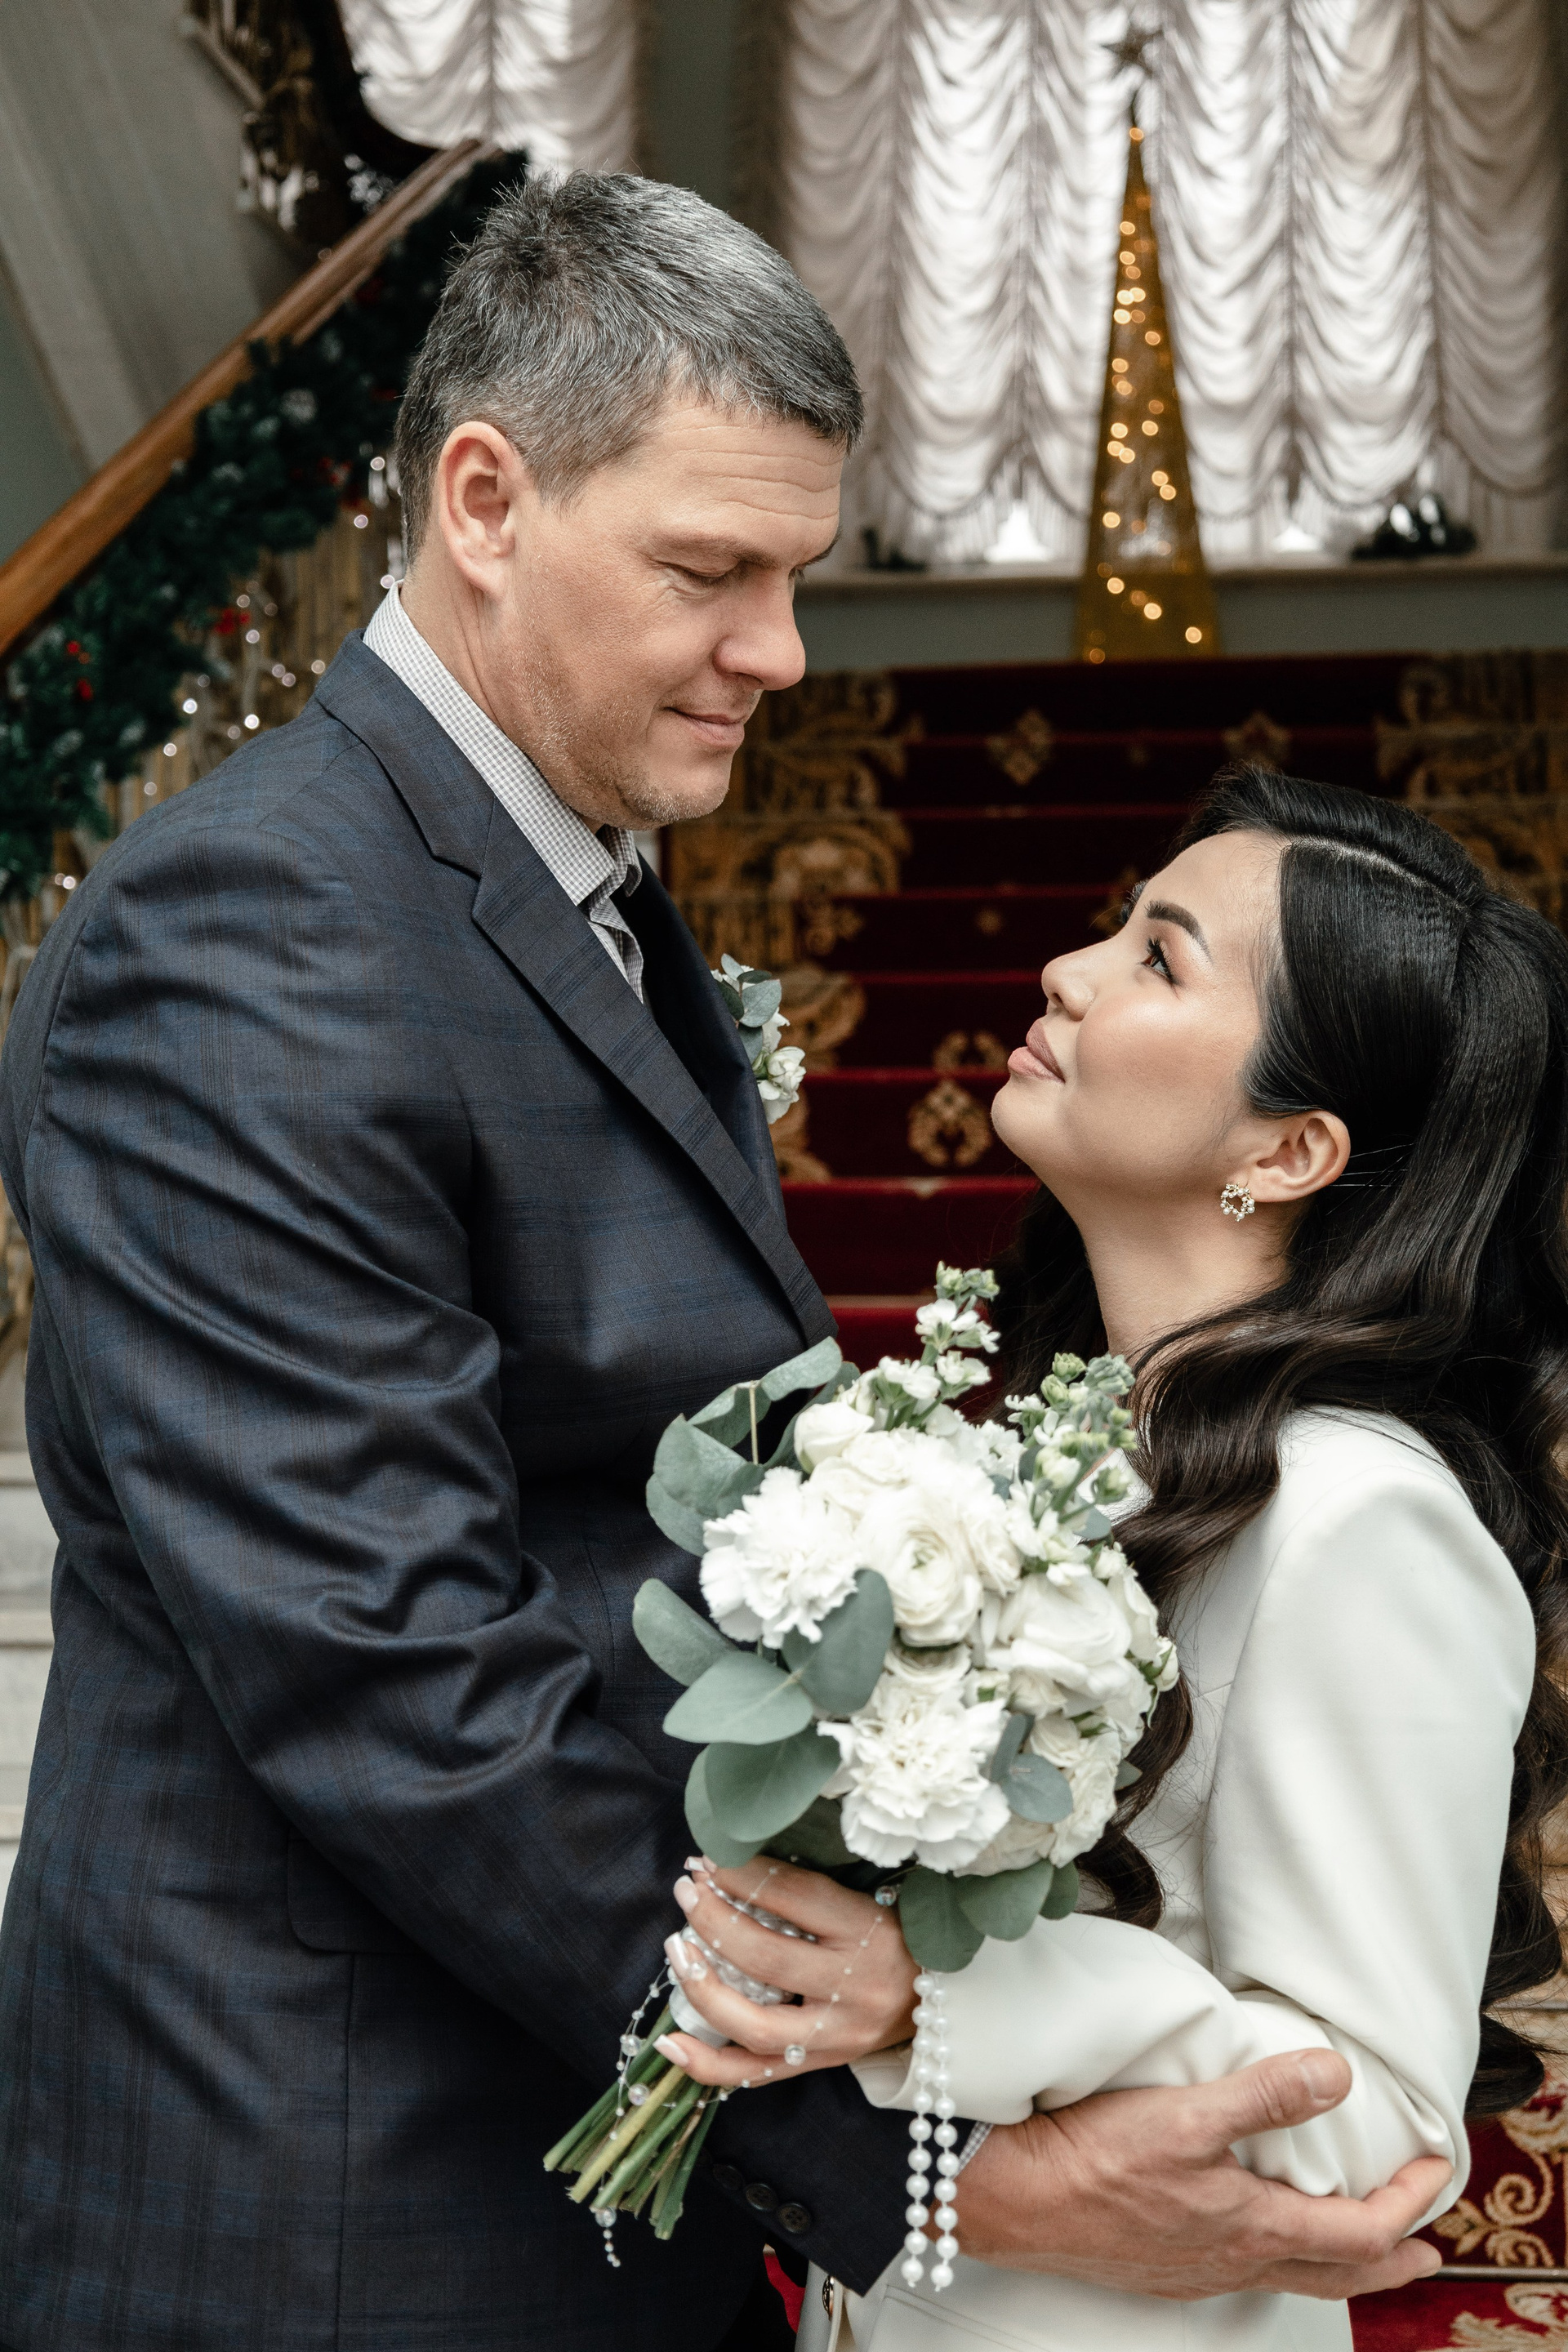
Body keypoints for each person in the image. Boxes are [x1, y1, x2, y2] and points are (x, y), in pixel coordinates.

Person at [0, 166, 1446, 2352]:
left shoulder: (564, 877)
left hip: (588, 2149)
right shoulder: (262, 927)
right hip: (339, 2200)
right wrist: (925, 2175)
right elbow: (391, 1668)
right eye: (711, 573)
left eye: (798, 576)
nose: (780, 652)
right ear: (484, 501)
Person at [659, 767, 1568, 2350]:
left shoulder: (1361, 1519)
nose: (1067, 973)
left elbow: (1376, 2124)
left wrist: (942, 1996)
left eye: (1159, 957)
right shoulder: (1063, 1459)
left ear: (1290, 1149)